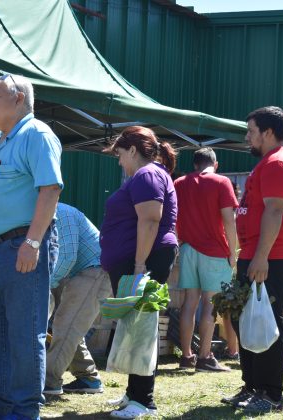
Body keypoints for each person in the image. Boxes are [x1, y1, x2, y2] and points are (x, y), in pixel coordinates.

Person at [0, 74, 62, 420]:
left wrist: (33, 242)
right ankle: (0, 406)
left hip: (22, 245)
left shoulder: (36, 134)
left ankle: (24, 410)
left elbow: (50, 190)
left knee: (23, 331)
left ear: (19, 99)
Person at [223, 106, 283, 413]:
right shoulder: (272, 161)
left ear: (269, 133)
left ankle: (271, 394)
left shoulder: (279, 163)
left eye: (252, 131)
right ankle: (252, 386)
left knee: (267, 321)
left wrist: (260, 257)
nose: (248, 137)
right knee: (245, 318)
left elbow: (274, 211)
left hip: (270, 255)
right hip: (261, 254)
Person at [100, 126, 178, 419]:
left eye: (120, 154)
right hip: (139, 260)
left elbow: (150, 220)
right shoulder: (146, 175)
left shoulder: (147, 174)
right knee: (135, 326)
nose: (119, 161)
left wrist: (138, 265)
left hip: (145, 261)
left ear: (132, 150)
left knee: (143, 327)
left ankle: (143, 400)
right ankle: (134, 394)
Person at [174, 147, 238, 372]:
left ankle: (186, 356)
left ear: (194, 164)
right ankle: (204, 357)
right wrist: (234, 251)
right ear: (216, 164)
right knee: (210, 305)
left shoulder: (179, 183)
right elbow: (229, 221)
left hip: (188, 248)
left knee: (189, 303)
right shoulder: (222, 182)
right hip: (215, 251)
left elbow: (173, 216)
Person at [43, 203, 112, 396]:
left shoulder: (61, 213)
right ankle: (88, 378)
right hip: (76, 272)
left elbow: (66, 257)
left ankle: (49, 381)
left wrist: (42, 286)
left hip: (95, 269)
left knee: (67, 325)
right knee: (70, 326)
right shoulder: (40, 211)